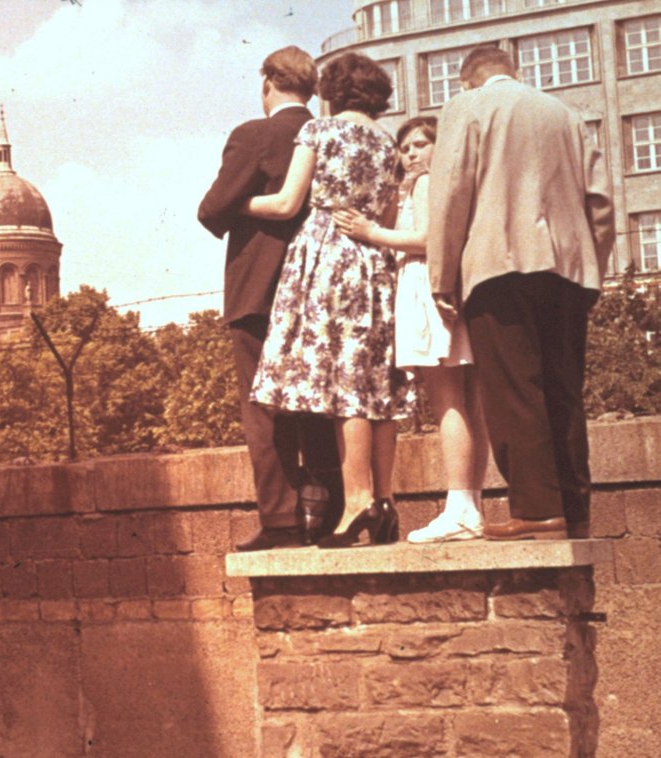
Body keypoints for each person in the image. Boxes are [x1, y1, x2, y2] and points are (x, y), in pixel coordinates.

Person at [428, 47, 615, 540]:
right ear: (517, 73)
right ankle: (574, 508)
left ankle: (535, 510)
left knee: (513, 389)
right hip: (569, 270)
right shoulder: (565, 114)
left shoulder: (465, 108)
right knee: (562, 390)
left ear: (468, 80)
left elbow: (450, 194)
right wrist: (591, 270)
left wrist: (441, 276)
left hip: (497, 265)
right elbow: (601, 202)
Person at [243, 52, 414, 548]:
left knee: (344, 384)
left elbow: (286, 203)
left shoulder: (319, 131)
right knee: (375, 382)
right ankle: (385, 501)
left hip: (327, 257)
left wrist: (238, 203)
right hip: (372, 259)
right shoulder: (388, 144)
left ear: (332, 90)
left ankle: (357, 502)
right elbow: (385, 214)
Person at [197, 46, 344, 550]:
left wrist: (243, 204)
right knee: (319, 402)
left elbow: (212, 209)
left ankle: (281, 520)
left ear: (268, 84)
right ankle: (327, 512)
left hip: (259, 291)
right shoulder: (332, 136)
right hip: (322, 289)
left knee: (263, 408)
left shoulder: (255, 134)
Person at [333, 117, 489, 543]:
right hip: (454, 289)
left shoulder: (425, 185)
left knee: (448, 400)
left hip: (425, 286)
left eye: (421, 143)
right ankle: (470, 505)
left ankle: (459, 508)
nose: (411, 154)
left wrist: (372, 232)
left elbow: (426, 238)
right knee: (470, 404)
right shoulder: (452, 185)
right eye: (405, 148)